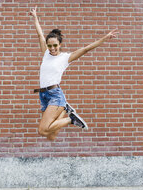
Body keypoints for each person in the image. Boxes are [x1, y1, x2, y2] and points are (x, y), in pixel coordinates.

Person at [30, 7, 118, 141]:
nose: (52, 49)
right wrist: (35, 16)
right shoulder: (46, 54)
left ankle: (70, 119)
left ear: (60, 44)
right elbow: (40, 35)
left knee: (42, 130)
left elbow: (86, 49)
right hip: (43, 96)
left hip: (55, 95)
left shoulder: (65, 58)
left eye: (55, 45)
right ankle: (66, 110)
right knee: (51, 136)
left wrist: (105, 38)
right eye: (50, 46)